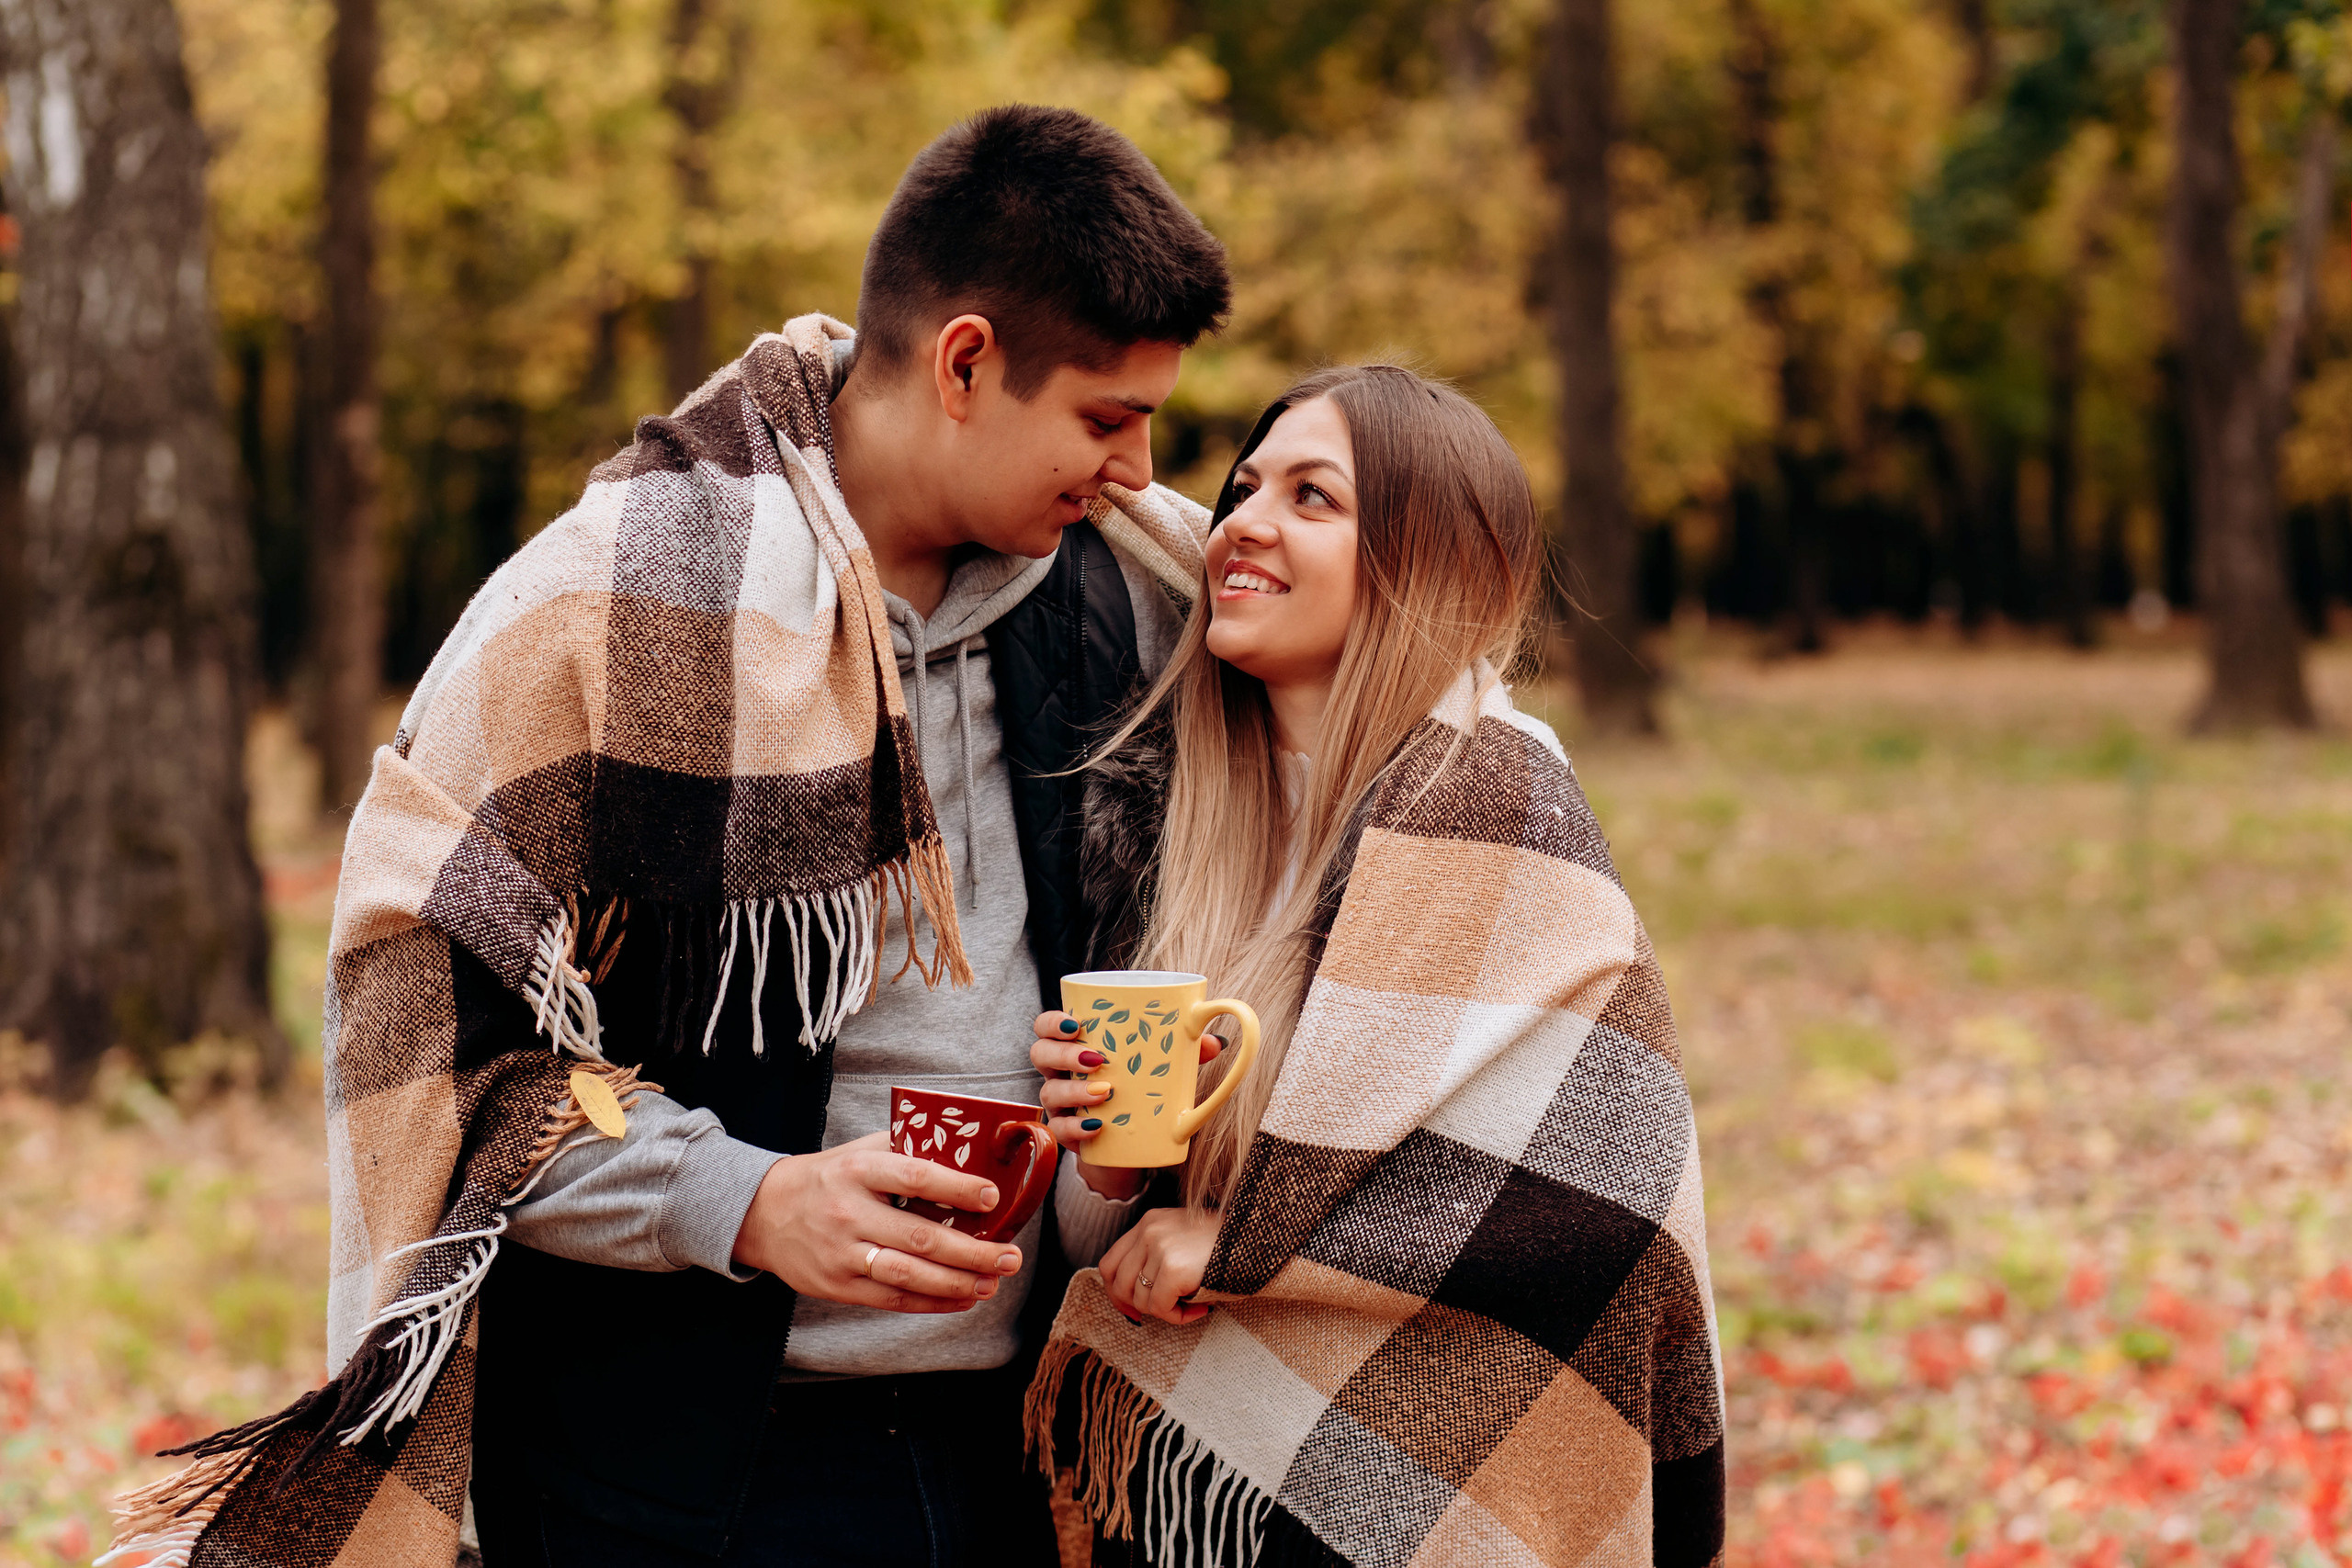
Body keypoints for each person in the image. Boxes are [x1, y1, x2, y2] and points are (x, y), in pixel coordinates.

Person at [105, 107, 1227, 1568]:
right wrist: (743, 1200)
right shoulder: (600, 615)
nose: (1142, 473)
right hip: (670, 1486)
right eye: (1104, 418)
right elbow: (436, 1069)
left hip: (1023, 1464)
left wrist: (1136, 1146)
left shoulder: (1132, 606)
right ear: (964, 364)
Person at [1023, 367, 1726, 1566]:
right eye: (1244, 487)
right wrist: (1105, 1154)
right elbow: (1105, 1253)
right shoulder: (1183, 823)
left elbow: (1605, 1223)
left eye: (1313, 497)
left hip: (1438, 1491)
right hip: (1211, 1493)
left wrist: (1246, 1250)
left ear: (1423, 562)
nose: (1242, 521)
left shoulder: (1495, 804)